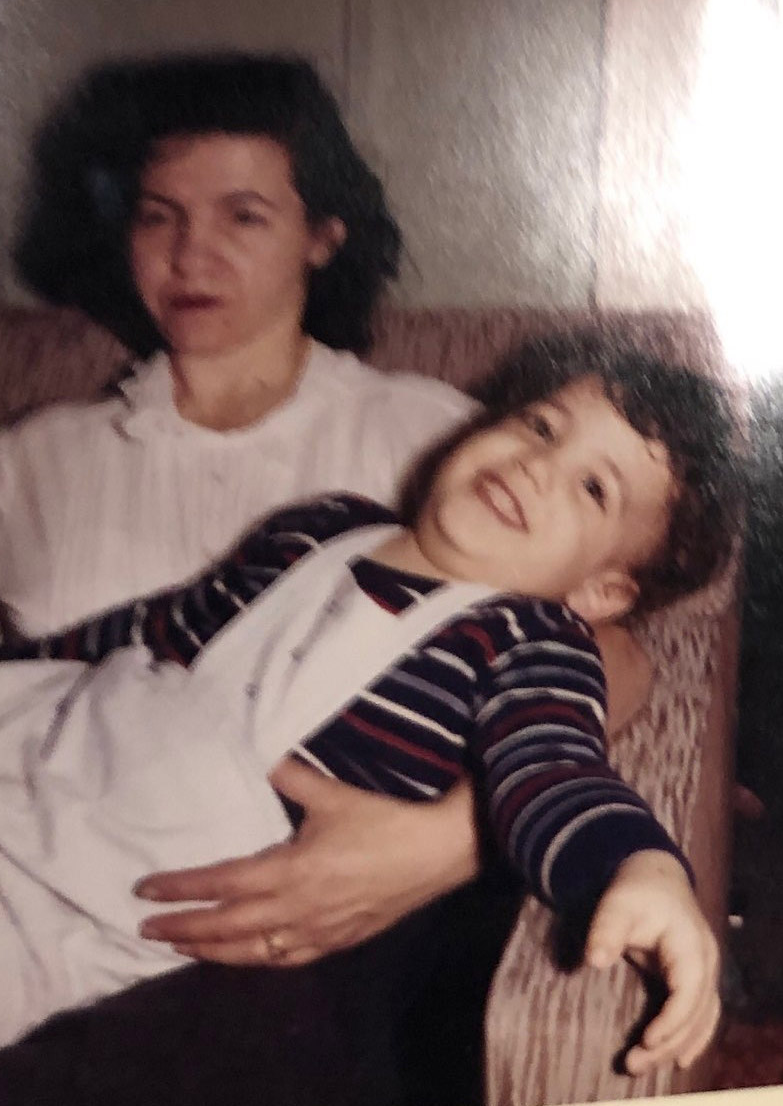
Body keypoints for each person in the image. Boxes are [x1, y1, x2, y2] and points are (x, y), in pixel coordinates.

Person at [3, 49, 650, 979]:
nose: (191, 254)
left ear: (323, 233)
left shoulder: (437, 441)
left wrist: (449, 840)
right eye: (158, 215)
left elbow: (603, 655)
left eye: (243, 215)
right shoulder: (35, 459)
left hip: (257, 950)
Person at [0, 340, 738, 1094]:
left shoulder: (533, 643)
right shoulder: (321, 527)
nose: (537, 466)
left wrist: (639, 868)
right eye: (541, 427)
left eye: (593, 488)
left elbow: (554, 771)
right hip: (61, 756)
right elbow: (160, 630)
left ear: (602, 591)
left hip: (137, 886)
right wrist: (30, 659)